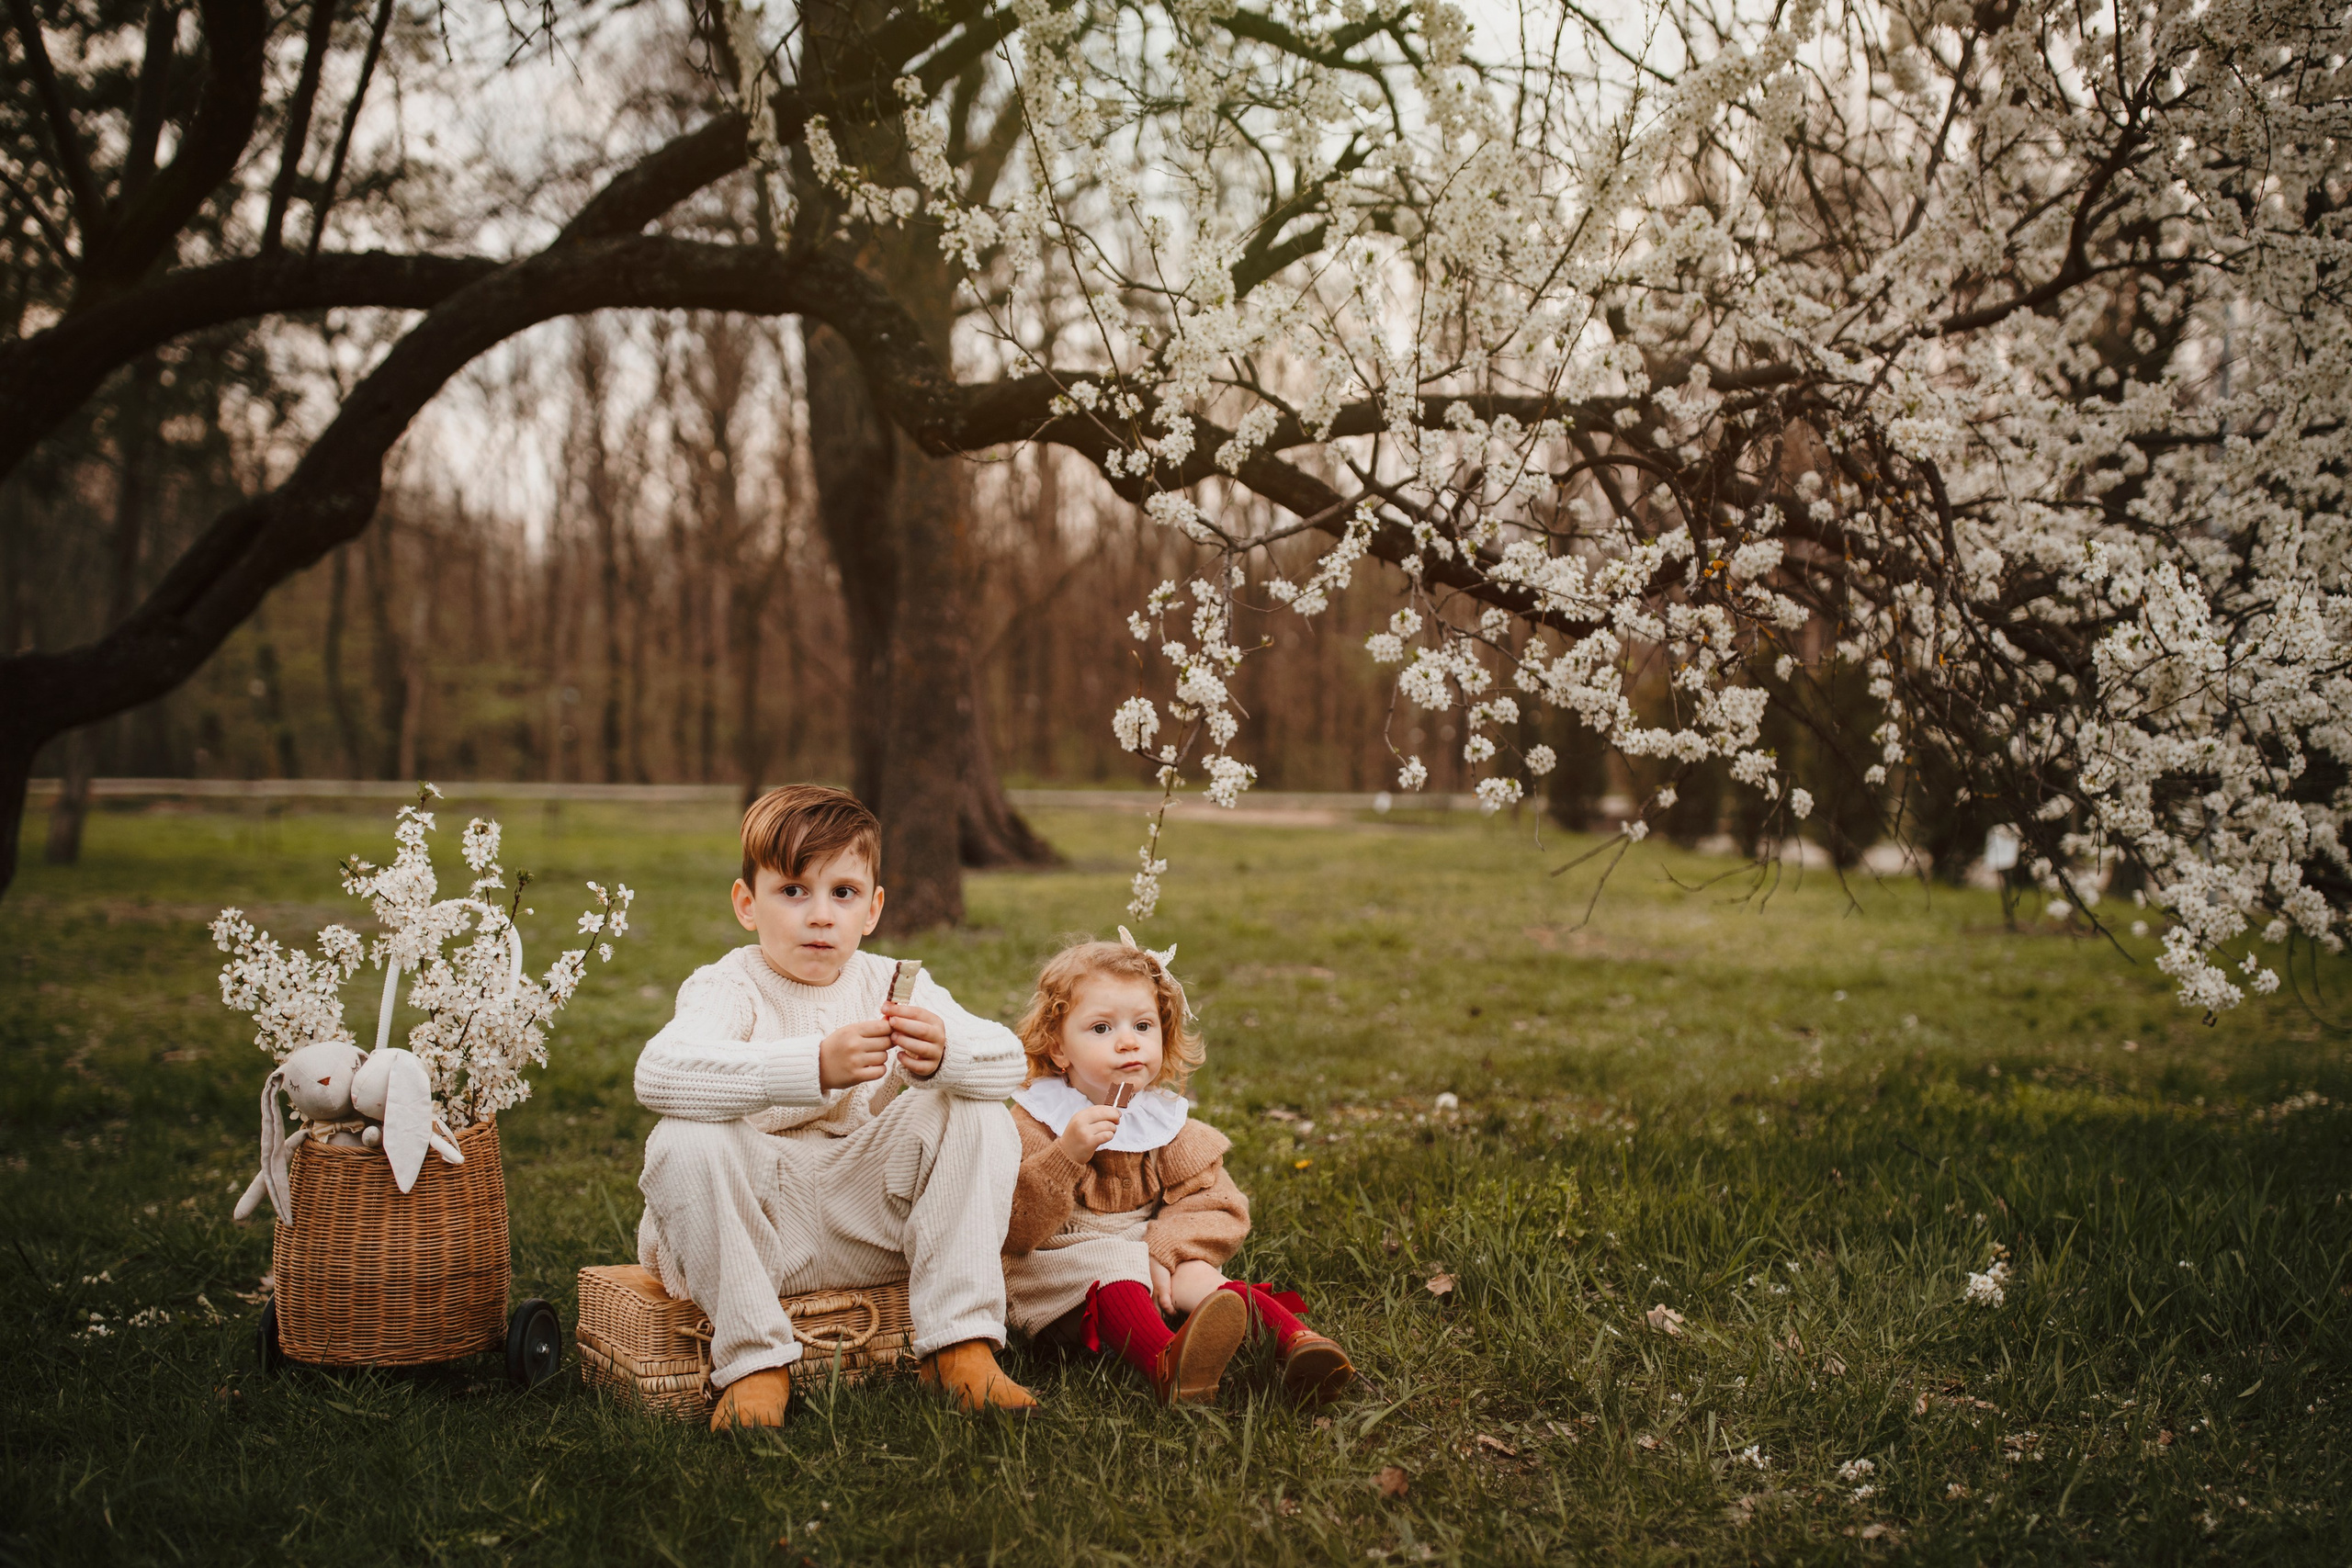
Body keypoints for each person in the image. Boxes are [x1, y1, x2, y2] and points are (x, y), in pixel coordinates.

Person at [632, 784, 1033, 1429]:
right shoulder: (727, 984)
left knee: (977, 1105)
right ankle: (755, 1361)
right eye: (793, 890)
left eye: (842, 893)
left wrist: (945, 1054)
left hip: (863, 1222)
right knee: (681, 1137)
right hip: (749, 1227)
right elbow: (659, 1072)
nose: (820, 915)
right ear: (747, 903)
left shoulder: (891, 981)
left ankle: (960, 1344)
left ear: (872, 909)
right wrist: (811, 1065)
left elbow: (1010, 1060)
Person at [1002, 931, 1355, 1404]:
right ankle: (1167, 1364)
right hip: (1056, 1269)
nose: (1128, 1042)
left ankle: (1297, 1342)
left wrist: (1163, 1248)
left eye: (1143, 1026)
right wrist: (1066, 1156)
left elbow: (1217, 1206)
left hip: (1145, 1256)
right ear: (1059, 1048)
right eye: (1102, 1028)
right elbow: (1011, 1227)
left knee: (1197, 1273)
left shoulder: (1163, 1124)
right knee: (1115, 1262)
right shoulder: (1035, 1121)